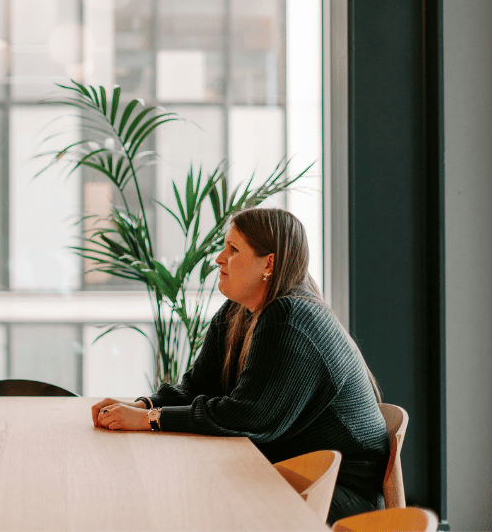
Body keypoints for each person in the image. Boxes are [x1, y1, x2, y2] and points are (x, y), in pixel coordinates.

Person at [91, 207, 389, 524]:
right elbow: (195, 388)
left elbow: (249, 416)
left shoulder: (290, 317)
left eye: (233, 250)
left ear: (269, 263)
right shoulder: (238, 310)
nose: (219, 258)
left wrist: (150, 419)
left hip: (335, 491)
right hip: (283, 472)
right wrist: (141, 405)